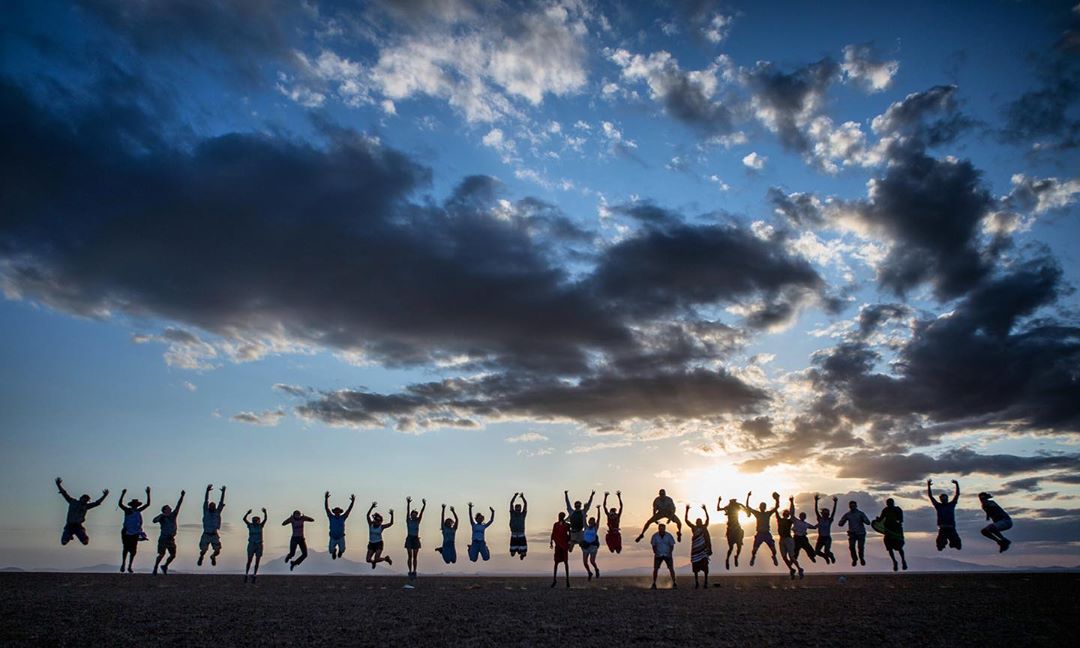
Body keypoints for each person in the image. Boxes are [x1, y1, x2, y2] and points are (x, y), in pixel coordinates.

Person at [55, 477, 108, 546]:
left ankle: (72, 535)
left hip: (78, 526)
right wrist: (58, 485)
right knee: (64, 542)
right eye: (84, 500)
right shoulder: (73, 502)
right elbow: (64, 493)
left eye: (86, 501)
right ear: (81, 498)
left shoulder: (86, 506)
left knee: (85, 541)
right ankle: (69, 535)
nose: (85, 502)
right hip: (69, 525)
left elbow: (97, 503)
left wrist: (104, 495)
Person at [117, 487, 151, 573]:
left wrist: (148, 494)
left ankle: (129, 566)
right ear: (132, 505)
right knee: (126, 548)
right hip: (126, 531)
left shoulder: (138, 511)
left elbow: (147, 504)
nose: (135, 506)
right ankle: (123, 564)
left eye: (136, 504)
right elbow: (120, 504)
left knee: (133, 550)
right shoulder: (127, 510)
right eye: (134, 504)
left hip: (135, 532)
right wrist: (122, 494)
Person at [152, 490, 185, 575]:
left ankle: (165, 566)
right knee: (161, 554)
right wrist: (161, 516)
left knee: (173, 555)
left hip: (171, 539)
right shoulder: (162, 516)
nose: (170, 509)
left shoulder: (173, 515)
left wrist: (182, 496)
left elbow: (178, 505)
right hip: (163, 538)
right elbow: (154, 521)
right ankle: (155, 567)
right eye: (168, 508)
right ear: (165, 510)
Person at [745, 491, 780, 567]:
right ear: (760, 507)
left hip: (767, 534)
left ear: (765, 507)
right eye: (761, 506)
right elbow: (747, 506)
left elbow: (777, 507)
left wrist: (777, 499)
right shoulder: (757, 513)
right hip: (760, 534)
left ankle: (774, 556)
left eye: (764, 506)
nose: (762, 507)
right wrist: (748, 496)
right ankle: (753, 557)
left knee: (774, 550)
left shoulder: (768, 513)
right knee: (754, 550)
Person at [927, 479, 962, 551]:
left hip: (951, 528)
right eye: (942, 498)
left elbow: (957, 494)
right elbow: (931, 496)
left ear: (947, 499)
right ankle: (947, 543)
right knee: (940, 546)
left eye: (945, 498)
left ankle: (952, 543)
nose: (944, 499)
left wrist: (957, 484)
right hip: (942, 529)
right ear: (940, 499)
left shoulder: (951, 504)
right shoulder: (938, 506)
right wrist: (928, 486)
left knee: (958, 546)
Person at [197, 484, 226, 567]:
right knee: (203, 550)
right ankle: (201, 556)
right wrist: (207, 491)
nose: (212, 507)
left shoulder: (217, 512)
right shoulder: (206, 511)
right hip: (206, 534)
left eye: (213, 506)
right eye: (211, 506)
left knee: (217, 550)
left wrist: (223, 492)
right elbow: (206, 500)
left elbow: (221, 502)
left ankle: (213, 556)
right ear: (209, 507)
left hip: (214, 534)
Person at [875, 498, 907, 571]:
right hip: (888, 531)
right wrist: (877, 520)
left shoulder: (897, 509)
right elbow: (881, 519)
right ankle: (894, 562)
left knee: (899, 547)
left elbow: (901, 520)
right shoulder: (885, 510)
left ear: (893, 503)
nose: (889, 504)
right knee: (889, 548)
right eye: (888, 503)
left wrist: (897, 522)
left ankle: (903, 560)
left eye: (891, 503)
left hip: (896, 531)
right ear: (886, 504)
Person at [685, 504, 712, 589]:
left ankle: (705, 582)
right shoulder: (694, 528)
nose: (699, 522)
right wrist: (686, 510)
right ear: (696, 523)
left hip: (703, 550)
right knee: (695, 568)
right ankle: (697, 582)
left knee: (705, 567)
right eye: (698, 521)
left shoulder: (704, 527)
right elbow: (686, 521)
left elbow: (708, 519)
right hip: (696, 551)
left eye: (700, 521)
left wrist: (705, 510)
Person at [716, 495, 747, 569]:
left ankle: (736, 557)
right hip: (731, 529)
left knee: (738, 546)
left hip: (736, 529)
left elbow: (744, 508)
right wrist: (719, 501)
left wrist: (742, 506)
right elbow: (718, 509)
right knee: (731, 548)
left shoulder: (736, 508)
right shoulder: (729, 508)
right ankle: (727, 559)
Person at [838, 500, 871, 567]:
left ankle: (861, 558)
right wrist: (842, 522)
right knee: (852, 547)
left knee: (860, 547)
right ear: (849, 507)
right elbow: (840, 524)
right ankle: (855, 559)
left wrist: (864, 520)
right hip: (852, 533)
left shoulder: (861, 513)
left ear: (856, 506)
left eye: (853, 506)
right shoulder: (848, 514)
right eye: (851, 506)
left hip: (861, 533)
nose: (852, 507)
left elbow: (868, 522)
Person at [777, 496, 803, 579]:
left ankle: (799, 569)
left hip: (788, 539)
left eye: (787, 514)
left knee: (791, 557)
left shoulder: (789, 521)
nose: (786, 514)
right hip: (782, 539)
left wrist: (791, 502)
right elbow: (775, 511)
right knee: (784, 557)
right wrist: (776, 500)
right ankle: (792, 569)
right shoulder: (780, 520)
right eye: (785, 513)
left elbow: (792, 512)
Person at [325, 491, 356, 560]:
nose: (337, 513)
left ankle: (340, 551)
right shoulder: (331, 517)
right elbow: (327, 509)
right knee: (330, 551)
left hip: (341, 537)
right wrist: (326, 499)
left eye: (338, 512)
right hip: (333, 537)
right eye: (336, 511)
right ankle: (334, 552)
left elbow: (349, 510)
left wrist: (352, 502)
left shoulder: (343, 517)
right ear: (334, 512)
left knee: (342, 549)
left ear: (340, 512)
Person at [366, 502, 394, 569]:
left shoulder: (381, 527)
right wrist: (372, 507)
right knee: (368, 560)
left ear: (380, 521)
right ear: (374, 520)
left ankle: (386, 559)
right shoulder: (371, 525)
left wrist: (392, 515)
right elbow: (367, 516)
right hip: (371, 543)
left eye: (379, 521)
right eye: (376, 520)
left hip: (379, 543)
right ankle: (373, 562)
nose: (377, 522)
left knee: (376, 558)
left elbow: (391, 523)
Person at [404, 496, 427, 578]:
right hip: (409, 538)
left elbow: (421, 513)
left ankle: (414, 571)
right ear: (411, 515)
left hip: (416, 538)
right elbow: (407, 512)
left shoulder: (417, 521)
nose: (414, 516)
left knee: (415, 556)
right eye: (413, 515)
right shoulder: (408, 521)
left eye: (415, 515)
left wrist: (424, 505)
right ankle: (410, 571)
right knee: (410, 556)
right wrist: (408, 503)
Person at [243, 508, 267, 583]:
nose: (255, 522)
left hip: (259, 544)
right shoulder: (250, 525)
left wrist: (265, 513)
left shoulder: (260, 526)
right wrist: (247, 513)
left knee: (257, 561)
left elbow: (265, 520)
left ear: (258, 521)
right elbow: (244, 519)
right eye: (254, 520)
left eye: (256, 520)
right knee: (249, 560)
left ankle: (254, 575)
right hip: (251, 544)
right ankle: (246, 574)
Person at [650, 523, 677, 590]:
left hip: (667, 555)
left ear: (665, 529)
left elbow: (672, 545)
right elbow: (653, 545)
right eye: (660, 528)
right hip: (658, 555)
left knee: (671, 569)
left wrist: (670, 552)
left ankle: (674, 583)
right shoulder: (655, 536)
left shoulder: (669, 536)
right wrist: (655, 552)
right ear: (658, 528)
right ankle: (654, 583)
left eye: (663, 529)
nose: (661, 530)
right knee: (656, 569)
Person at [792, 502, 818, 567]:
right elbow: (792, 514)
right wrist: (792, 502)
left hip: (803, 538)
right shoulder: (796, 521)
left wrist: (821, 522)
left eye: (804, 516)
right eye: (801, 516)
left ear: (805, 517)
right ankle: (792, 562)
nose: (803, 517)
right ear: (800, 516)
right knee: (795, 551)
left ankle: (811, 557)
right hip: (797, 538)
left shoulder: (806, 524)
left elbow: (814, 527)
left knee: (809, 548)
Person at [814, 494, 838, 564]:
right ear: (822, 514)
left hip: (827, 538)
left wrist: (835, 503)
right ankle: (825, 557)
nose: (825, 514)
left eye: (826, 513)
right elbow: (816, 511)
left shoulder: (829, 520)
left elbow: (834, 512)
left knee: (827, 551)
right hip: (820, 538)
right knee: (817, 551)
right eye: (824, 513)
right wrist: (816, 501)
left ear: (828, 514)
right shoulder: (820, 519)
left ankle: (831, 556)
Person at [550, 512, 571, 588]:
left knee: (566, 562)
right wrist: (551, 542)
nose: (560, 517)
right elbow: (553, 533)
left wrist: (569, 542)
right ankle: (554, 580)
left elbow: (570, 533)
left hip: (564, 545)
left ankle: (567, 580)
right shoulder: (555, 524)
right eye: (559, 516)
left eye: (562, 516)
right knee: (556, 563)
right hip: (558, 545)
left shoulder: (567, 525)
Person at [581, 507, 602, 580]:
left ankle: (596, 569)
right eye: (590, 521)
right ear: (589, 522)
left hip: (593, 546)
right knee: (585, 562)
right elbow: (583, 519)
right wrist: (585, 511)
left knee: (592, 561)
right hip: (586, 546)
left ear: (594, 523)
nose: (591, 522)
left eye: (593, 521)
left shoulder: (595, 528)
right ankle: (589, 572)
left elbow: (599, 519)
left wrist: (598, 510)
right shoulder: (586, 527)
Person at [509, 493, 528, 559]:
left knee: (523, 551)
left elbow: (525, 504)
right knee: (512, 554)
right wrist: (514, 496)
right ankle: (519, 551)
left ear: (520, 509)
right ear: (515, 509)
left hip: (521, 534)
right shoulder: (512, 513)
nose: (517, 510)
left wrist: (523, 497)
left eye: (519, 509)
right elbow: (511, 503)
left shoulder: (523, 514)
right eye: (516, 509)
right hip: (514, 534)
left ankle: (522, 554)